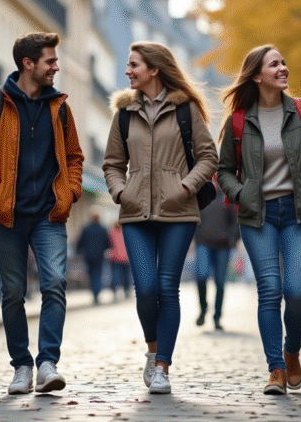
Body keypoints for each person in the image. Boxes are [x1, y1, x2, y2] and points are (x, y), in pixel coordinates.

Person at [0, 32, 84, 395]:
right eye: (50, 61)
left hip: (49, 214)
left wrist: (69, 193)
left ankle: (48, 363)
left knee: (55, 283)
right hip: (6, 215)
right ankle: (21, 366)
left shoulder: (60, 107)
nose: (56, 67)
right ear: (28, 63)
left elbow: (75, 157)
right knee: (13, 291)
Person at [216, 45, 301, 395]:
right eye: (274, 64)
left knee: (296, 292)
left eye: (283, 61)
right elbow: (224, 171)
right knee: (269, 290)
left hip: (298, 212)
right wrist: (240, 193)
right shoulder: (239, 120)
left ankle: (292, 351)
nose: (283, 68)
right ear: (257, 75)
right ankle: (276, 369)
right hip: (258, 216)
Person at [103, 41, 218, 394]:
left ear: (154, 69)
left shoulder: (186, 110)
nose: (128, 71)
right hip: (135, 213)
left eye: (134, 65)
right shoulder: (124, 113)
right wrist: (121, 192)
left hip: (178, 212)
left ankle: (163, 367)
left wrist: (185, 187)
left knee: (168, 288)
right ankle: (153, 352)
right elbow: (111, 163)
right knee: (146, 288)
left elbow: (208, 157)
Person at [193, 184, 239, 331]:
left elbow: (236, 221)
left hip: (223, 246)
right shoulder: (200, 195)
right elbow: (193, 217)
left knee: (220, 282)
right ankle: (203, 308)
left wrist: (232, 237)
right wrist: (196, 237)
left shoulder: (228, 197)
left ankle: (217, 317)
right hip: (203, 243)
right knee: (201, 275)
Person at [76, 211, 110, 305]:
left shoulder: (86, 228)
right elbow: (108, 243)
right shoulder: (103, 229)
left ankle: (94, 294)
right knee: (97, 275)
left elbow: (80, 242)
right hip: (99, 256)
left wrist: (78, 250)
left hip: (88, 256)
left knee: (91, 275)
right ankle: (96, 293)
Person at [107, 222, 131, 299]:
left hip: (115, 258)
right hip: (126, 257)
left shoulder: (111, 232)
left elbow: (108, 244)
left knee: (115, 275)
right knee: (126, 276)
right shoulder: (126, 232)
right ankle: (126, 290)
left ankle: (114, 290)